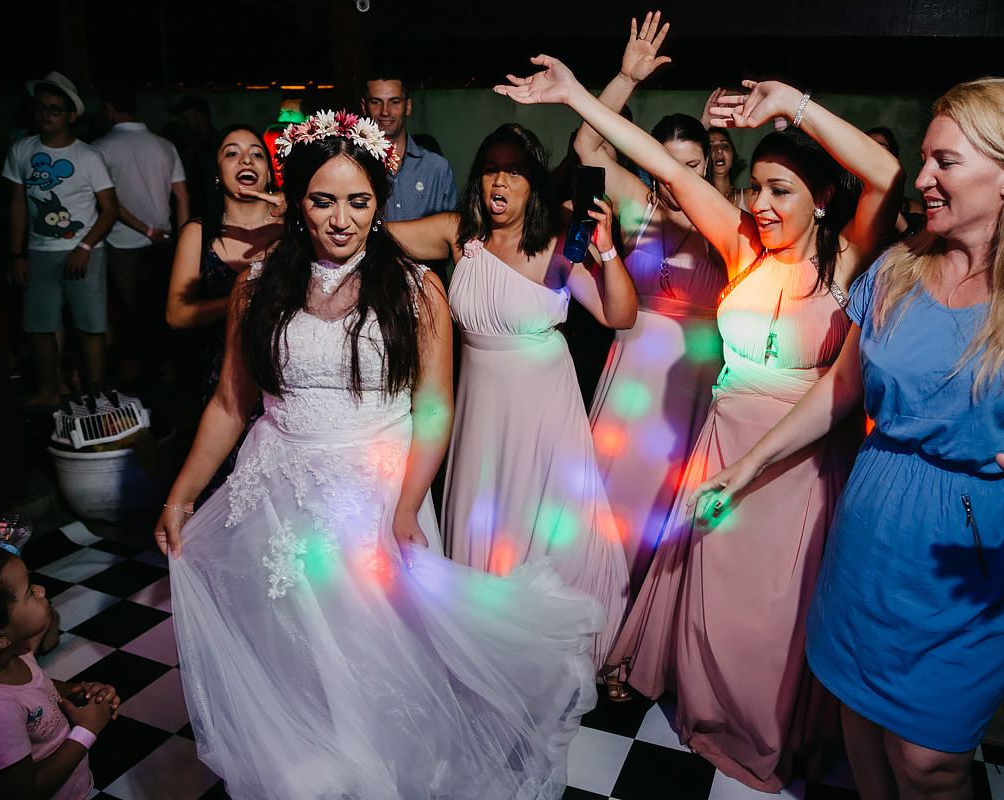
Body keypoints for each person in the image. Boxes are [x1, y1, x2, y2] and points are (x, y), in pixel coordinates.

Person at [692, 78, 1004, 800]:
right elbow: (840, 391)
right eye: (925, 159)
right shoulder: (897, 271)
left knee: (928, 763)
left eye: (945, 163)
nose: (923, 179)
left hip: (976, 554)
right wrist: (742, 468)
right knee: (861, 734)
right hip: (871, 535)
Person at [154, 110, 601, 800]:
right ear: (296, 201)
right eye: (323, 200)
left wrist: (405, 504)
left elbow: (435, 406)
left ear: (379, 204)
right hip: (275, 486)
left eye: (359, 202)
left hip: (374, 491)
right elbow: (229, 404)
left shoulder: (416, 287)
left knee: (372, 651)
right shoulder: (258, 282)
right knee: (294, 645)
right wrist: (182, 496)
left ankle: (385, 771)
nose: (341, 220)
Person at [496, 56, 902, 789]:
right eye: (756, 188)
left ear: (824, 198)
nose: (764, 203)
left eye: (782, 191)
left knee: (777, 611)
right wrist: (577, 96)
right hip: (722, 449)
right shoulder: (743, 243)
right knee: (713, 599)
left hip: (802, 464)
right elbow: (663, 167)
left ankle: (765, 727)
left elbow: (885, 174)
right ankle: (707, 712)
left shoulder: (851, 257)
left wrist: (796, 105)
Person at [386, 122, 636, 670]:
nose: (500, 181)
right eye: (491, 169)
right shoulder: (459, 236)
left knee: (545, 520)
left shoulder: (556, 248)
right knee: (485, 518)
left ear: (534, 184)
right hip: (481, 407)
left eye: (514, 171)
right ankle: (486, 637)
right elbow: (379, 236)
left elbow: (619, 315)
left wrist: (608, 252)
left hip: (544, 405)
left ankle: (543, 643)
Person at [574, 14, 727, 597]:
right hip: (631, 369)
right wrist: (624, 77)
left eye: (691, 167)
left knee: (672, 507)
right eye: (666, 164)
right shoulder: (638, 202)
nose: (676, 179)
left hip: (694, 380)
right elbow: (587, 144)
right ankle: (603, 613)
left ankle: (651, 625)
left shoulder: (729, 219)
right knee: (614, 502)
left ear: (710, 166)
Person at [165, 125, 281, 502]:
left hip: (285, 379)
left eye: (256, 153)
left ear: (268, 172)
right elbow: (176, 316)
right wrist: (239, 299)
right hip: (225, 379)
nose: (246, 159)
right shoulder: (198, 233)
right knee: (230, 493)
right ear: (217, 173)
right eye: (232, 153)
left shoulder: (296, 231)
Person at [4, 71, 118, 405]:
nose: (45, 114)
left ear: (71, 116)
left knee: (91, 326)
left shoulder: (88, 156)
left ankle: (94, 391)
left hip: (86, 252)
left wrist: (85, 246)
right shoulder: (21, 150)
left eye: (54, 109)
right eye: (41, 107)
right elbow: (16, 206)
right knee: (40, 326)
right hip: (39, 251)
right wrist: (16, 254)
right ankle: (49, 390)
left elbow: (109, 209)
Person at [0, 549, 120, 800]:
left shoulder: (16, 651)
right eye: (29, 592)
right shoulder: (1, 711)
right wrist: (87, 729)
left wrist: (78, 692)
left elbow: (36, 687)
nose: (41, 589)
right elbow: (24, 792)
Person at [94, 82, 189, 378]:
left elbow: (111, 205)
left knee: (138, 313)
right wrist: (184, 239)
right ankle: (166, 368)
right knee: (163, 308)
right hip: (164, 240)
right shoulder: (164, 144)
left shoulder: (99, 148)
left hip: (124, 242)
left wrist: (147, 231)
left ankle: (150, 373)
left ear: (110, 109)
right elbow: (182, 198)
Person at [360, 69, 457, 223]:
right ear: (364, 107)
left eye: (395, 102)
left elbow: (450, 231)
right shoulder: (355, 165)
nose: (385, 111)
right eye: (376, 102)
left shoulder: (437, 169)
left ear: (408, 106)